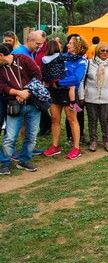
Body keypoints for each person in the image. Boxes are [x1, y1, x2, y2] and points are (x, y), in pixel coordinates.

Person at [43, 35, 89, 160]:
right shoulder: (62, 57)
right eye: (68, 43)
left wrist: (58, 83)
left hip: (68, 93)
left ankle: (76, 147)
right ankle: (55, 146)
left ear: (78, 46)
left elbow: (76, 79)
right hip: (55, 92)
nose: (67, 45)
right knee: (55, 118)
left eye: (70, 43)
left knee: (72, 119)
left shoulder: (82, 61)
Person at [0, 43, 43, 174]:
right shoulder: (1, 69)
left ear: (1, 55)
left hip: (33, 104)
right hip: (14, 105)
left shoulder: (23, 59)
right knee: (10, 136)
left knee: (31, 135)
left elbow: (37, 75)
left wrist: (27, 91)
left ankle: (24, 160)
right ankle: (5, 162)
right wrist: (18, 93)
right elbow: (2, 86)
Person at [79, 42, 108, 152]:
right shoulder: (89, 64)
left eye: (107, 51)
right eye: (102, 50)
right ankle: (93, 141)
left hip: (106, 97)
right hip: (91, 96)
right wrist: (82, 95)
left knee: (104, 120)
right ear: (97, 51)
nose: (105, 53)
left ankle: (107, 141)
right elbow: (82, 80)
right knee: (92, 119)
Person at [41, 39, 82, 112]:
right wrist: (80, 55)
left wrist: (45, 79)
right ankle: (73, 103)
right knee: (72, 86)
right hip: (59, 77)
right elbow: (70, 58)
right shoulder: (58, 56)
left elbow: (43, 70)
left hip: (50, 80)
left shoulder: (45, 58)